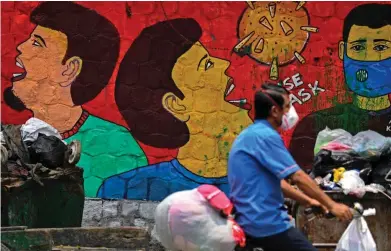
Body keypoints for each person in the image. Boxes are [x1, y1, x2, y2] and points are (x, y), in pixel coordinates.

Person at [3, 2, 148, 197]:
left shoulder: (118, 145)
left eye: (37, 43)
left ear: (69, 69)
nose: (21, 47)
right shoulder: (8, 138)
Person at [98, 18, 252, 201]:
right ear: (176, 105)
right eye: (206, 65)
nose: (224, 64)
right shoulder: (124, 189)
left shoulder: (260, 185)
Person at [289, 3, 391, 170]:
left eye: (381, 47)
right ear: (343, 51)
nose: (370, 59)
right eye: (358, 47)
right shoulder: (314, 126)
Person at [228, 84, 353, 251]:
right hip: (265, 224)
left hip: (248, 222)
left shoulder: (249, 135)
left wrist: (308, 201)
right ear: (274, 111)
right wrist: (332, 205)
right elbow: (298, 177)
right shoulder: (266, 136)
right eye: (287, 106)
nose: (290, 111)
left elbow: (278, 183)